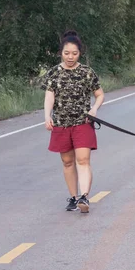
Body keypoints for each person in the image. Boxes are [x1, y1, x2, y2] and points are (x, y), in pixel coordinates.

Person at [41, 30, 105, 213]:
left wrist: (94, 109)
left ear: (80, 53)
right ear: (61, 52)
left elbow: (99, 94)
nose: (70, 57)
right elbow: (49, 96)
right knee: (68, 162)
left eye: (74, 53)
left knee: (83, 160)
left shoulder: (86, 72)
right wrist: (47, 116)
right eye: (67, 53)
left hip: (83, 122)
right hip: (61, 124)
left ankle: (84, 196)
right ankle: (73, 197)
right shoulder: (53, 73)